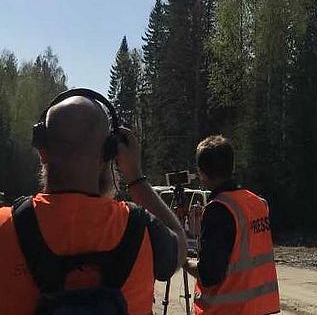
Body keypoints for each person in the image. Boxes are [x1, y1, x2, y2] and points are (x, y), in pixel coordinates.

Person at [0, 89, 188, 314]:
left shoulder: (5, 226)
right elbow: (181, 245)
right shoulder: (143, 229)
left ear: (41, 150)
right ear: (109, 154)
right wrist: (136, 177)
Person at [184, 135, 280, 315]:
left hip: (228, 310)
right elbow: (240, 249)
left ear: (202, 173)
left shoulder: (218, 209)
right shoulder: (258, 203)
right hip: (258, 307)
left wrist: (183, 261)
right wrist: (201, 233)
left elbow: (209, 275)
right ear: (231, 166)